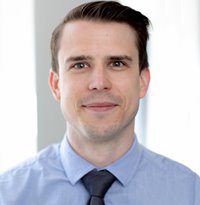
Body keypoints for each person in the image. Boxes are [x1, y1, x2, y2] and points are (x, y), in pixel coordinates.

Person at [0, 1, 199, 204]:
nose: (99, 83)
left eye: (117, 63)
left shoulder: (191, 193)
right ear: (56, 85)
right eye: (80, 65)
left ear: (142, 81)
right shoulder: (7, 195)